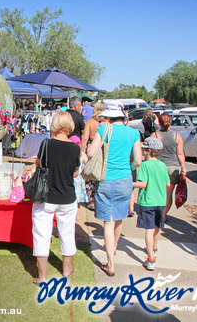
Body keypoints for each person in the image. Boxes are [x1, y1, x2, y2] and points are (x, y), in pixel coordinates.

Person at [87, 102, 142, 277]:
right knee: (119, 218)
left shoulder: (104, 129)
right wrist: (129, 167)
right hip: (125, 179)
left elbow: (90, 152)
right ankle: (114, 248)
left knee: (108, 223)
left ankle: (110, 264)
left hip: (106, 179)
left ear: (108, 117)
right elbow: (138, 161)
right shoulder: (134, 133)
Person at [31, 111, 80, 285]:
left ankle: (42, 276)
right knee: (67, 233)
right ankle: (66, 270)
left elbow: (38, 164)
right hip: (67, 197)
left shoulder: (46, 144)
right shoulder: (75, 148)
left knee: (41, 235)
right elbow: (75, 172)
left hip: (45, 197)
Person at [133, 137, 170, 271]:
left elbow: (143, 183)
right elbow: (168, 184)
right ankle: (154, 248)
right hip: (160, 201)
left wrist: (129, 184)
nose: (142, 150)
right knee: (157, 227)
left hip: (147, 201)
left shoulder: (145, 165)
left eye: (144, 148)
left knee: (148, 230)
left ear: (149, 151)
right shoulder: (162, 165)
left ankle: (151, 259)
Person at [151, 113, 187, 221]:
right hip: (173, 167)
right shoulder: (177, 136)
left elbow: (150, 152)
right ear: (170, 122)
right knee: (168, 193)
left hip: (158, 166)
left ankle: (155, 213)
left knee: (157, 191)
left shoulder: (155, 136)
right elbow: (180, 153)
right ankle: (163, 215)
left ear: (159, 123)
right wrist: (183, 167)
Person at [81, 101, 106, 211]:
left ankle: (92, 200)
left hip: (92, 146)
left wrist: (82, 151)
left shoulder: (90, 122)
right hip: (103, 148)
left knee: (90, 173)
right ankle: (101, 200)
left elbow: (85, 138)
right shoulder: (107, 124)